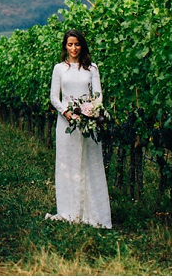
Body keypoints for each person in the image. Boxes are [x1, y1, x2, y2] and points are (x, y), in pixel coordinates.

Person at [46, 28, 112, 228]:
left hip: (87, 124)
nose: (73, 48)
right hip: (66, 124)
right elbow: (53, 97)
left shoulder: (92, 68)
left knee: (89, 162)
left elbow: (98, 94)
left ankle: (93, 213)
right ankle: (70, 210)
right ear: (65, 46)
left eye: (77, 44)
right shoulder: (59, 68)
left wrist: (91, 110)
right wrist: (66, 112)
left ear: (82, 46)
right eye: (70, 44)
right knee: (68, 164)